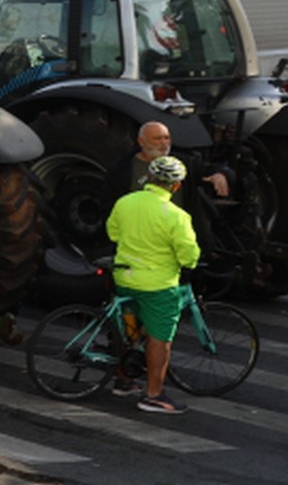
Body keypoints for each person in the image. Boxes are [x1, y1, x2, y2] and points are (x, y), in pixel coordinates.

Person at [105, 155, 200, 415]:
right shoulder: (176, 216)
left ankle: (123, 380)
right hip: (157, 286)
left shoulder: (125, 203)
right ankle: (154, 395)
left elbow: (113, 232)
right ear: (176, 186)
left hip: (124, 278)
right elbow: (188, 255)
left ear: (148, 176)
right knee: (160, 339)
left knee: (130, 331)